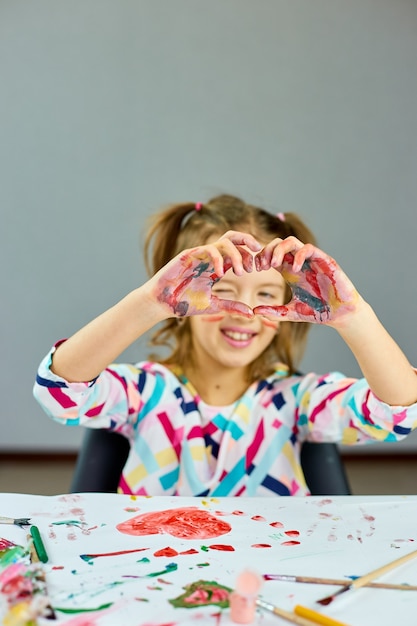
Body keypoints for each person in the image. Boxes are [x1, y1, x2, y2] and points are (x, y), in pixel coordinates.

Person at [33, 194, 417, 496]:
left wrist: (354, 316)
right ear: (180, 298)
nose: (246, 312)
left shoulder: (299, 401)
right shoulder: (143, 392)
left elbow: (397, 416)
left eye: (266, 294)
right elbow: (59, 394)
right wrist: (149, 303)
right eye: (222, 291)